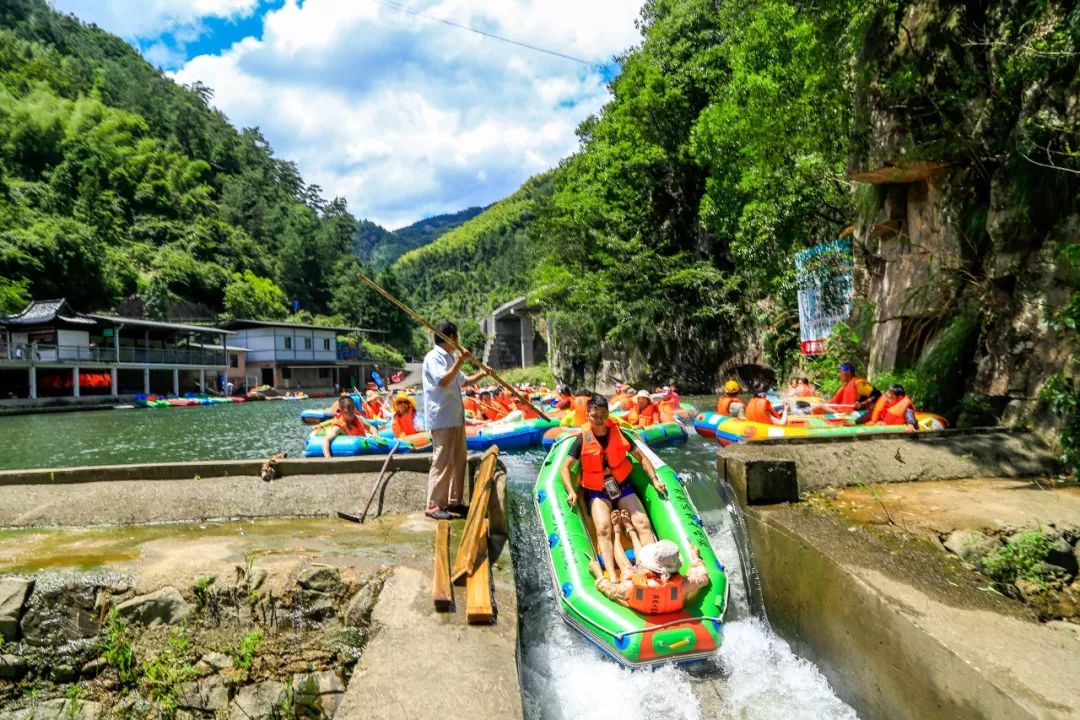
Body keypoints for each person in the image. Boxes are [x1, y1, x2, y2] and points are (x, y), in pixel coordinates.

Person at [560, 395, 666, 582]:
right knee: (603, 529)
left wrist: (654, 479)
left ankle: (650, 568)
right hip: (597, 490)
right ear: (587, 415)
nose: (599, 420)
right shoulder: (581, 440)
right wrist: (570, 491)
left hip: (622, 485)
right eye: (595, 416)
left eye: (603, 415)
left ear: (609, 414)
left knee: (642, 522)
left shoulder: (620, 433)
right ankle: (611, 577)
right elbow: (565, 468)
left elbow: (642, 457)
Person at [422, 321, 486, 520]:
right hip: (442, 417)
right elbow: (443, 380)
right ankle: (434, 504)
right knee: (442, 460)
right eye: (456, 336)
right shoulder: (433, 357)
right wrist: (460, 360)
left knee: (458, 459)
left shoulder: (449, 357)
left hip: (455, 417)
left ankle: (453, 501)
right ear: (450, 337)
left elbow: (463, 381)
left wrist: (483, 373)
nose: (458, 340)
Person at [588, 512, 710, 613]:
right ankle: (631, 532)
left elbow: (608, 589)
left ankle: (617, 532)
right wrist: (696, 559)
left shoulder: (630, 587)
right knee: (638, 566)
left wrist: (599, 574)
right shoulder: (684, 584)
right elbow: (703, 577)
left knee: (627, 569)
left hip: (639, 600)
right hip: (665, 604)